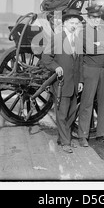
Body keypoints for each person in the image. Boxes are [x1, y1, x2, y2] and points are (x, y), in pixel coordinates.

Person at [41, 9, 84, 153]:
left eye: (77, 23)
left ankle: (62, 138)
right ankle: (66, 141)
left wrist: (80, 81)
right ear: (65, 23)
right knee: (61, 113)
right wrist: (56, 67)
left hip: (74, 83)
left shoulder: (77, 41)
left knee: (72, 113)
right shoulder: (57, 38)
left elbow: (79, 63)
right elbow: (46, 58)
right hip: (61, 83)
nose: (74, 25)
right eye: (71, 22)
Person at [77, 4, 104, 147]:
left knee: (103, 102)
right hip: (90, 69)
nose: (96, 20)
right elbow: (88, 48)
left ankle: (102, 132)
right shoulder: (82, 32)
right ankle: (83, 135)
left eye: (98, 17)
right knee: (87, 102)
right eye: (93, 17)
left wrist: (100, 43)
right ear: (88, 18)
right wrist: (103, 46)